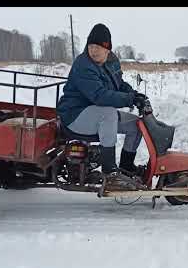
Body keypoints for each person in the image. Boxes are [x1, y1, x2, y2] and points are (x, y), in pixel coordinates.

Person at [56, 23, 147, 191]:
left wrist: (135, 95)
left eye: (98, 47)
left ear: (107, 48)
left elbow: (118, 84)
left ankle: (126, 168)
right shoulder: (83, 65)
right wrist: (129, 99)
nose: (94, 50)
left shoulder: (111, 62)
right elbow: (99, 96)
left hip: (94, 113)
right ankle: (109, 172)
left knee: (136, 125)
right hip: (75, 115)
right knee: (108, 113)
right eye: (90, 46)